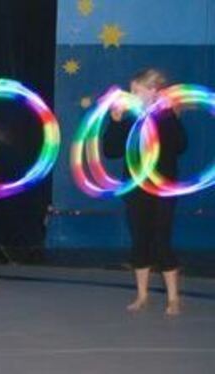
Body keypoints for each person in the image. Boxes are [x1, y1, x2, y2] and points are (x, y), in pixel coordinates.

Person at [103, 68, 187, 316]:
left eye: (136, 91)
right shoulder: (129, 119)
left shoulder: (167, 117)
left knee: (161, 241)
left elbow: (181, 146)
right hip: (136, 188)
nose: (131, 96)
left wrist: (168, 116)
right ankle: (142, 295)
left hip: (162, 188)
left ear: (153, 92)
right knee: (140, 241)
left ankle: (173, 298)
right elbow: (111, 151)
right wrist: (116, 123)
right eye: (131, 91)